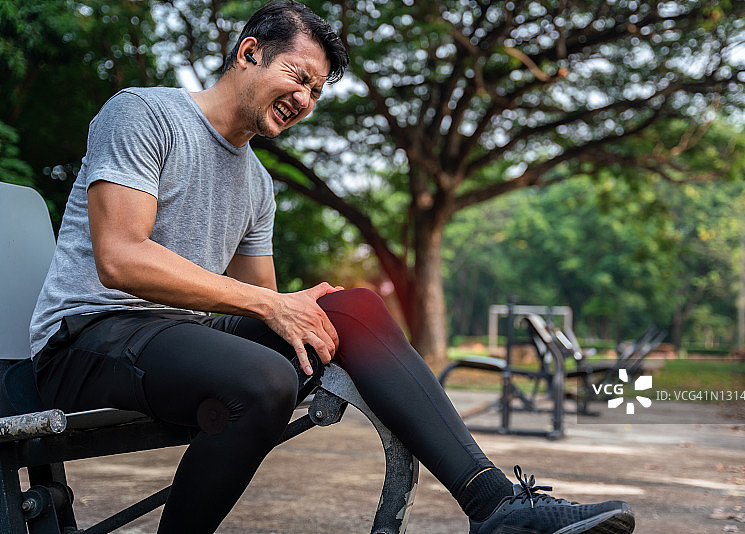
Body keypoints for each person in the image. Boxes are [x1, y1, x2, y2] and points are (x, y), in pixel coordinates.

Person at [29, 2, 635, 533]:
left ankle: (495, 504)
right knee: (262, 380)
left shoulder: (257, 184)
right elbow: (120, 257)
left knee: (356, 308)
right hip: (88, 337)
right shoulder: (143, 115)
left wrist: (298, 309)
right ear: (250, 53)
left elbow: (258, 303)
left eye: (318, 93)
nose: (306, 100)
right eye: (300, 77)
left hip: (178, 338)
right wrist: (270, 306)